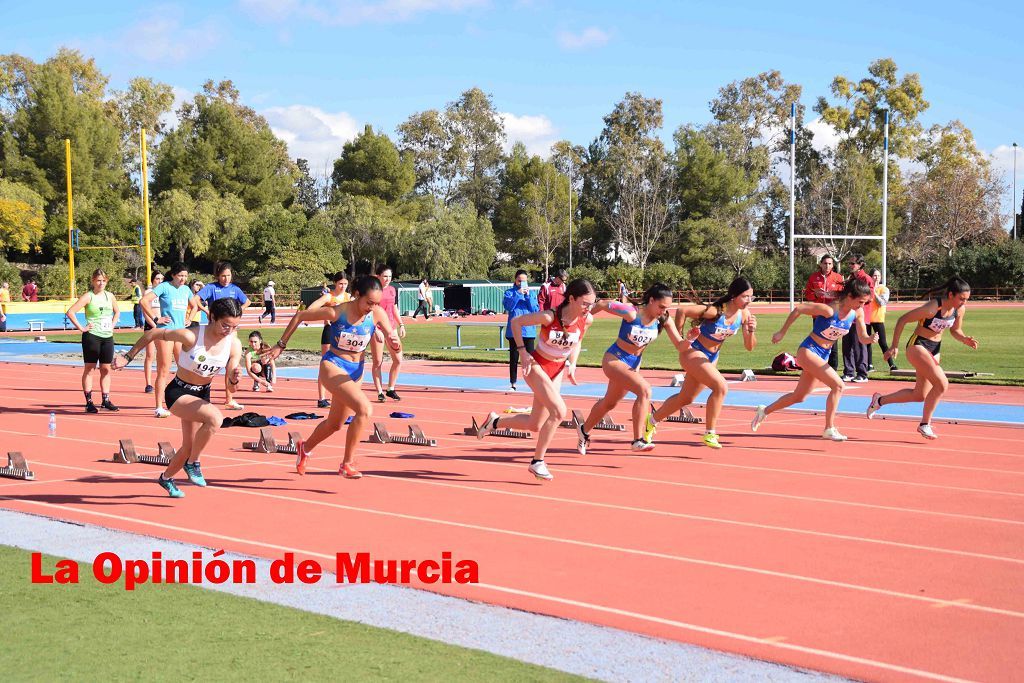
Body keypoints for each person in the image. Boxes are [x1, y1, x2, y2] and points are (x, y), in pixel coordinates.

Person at [261, 275, 401, 479]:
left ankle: (304, 449)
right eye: (368, 302)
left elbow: (390, 336)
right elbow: (300, 316)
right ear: (356, 295)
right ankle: (347, 464)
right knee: (365, 409)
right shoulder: (337, 312)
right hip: (333, 366)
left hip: (356, 371)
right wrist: (280, 345)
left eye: (376, 303)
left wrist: (394, 341)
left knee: (335, 424)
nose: (372, 307)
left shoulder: (377, 313)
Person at [113, 298, 245, 498]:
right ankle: (193, 464)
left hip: (202, 395)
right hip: (179, 392)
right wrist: (128, 357)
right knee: (215, 419)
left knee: (188, 446)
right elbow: (153, 333)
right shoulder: (191, 336)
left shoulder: (233, 345)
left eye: (234, 326)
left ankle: (166, 478)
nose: (229, 330)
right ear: (212, 318)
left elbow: (230, 389)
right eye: (225, 325)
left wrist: (234, 380)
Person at [475, 279, 597, 481]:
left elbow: (578, 340)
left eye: (591, 304)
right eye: (585, 303)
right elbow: (516, 322)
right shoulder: (549, 317)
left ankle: (495, 422)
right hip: (536, 366)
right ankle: (537, 462)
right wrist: (523, 352)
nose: (588, 308)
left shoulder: (587, 320)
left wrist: (572, 364)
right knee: (559, 411)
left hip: (557, 370)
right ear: (572, 299)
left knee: (535, 424)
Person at [751, 278, 878, 441]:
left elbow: (862, 337)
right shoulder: (829, 310)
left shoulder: (857, 313)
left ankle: (764, 410)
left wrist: (870, 339)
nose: (862, 306)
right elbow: (799, 309)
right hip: (808, 351)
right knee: (838, 385)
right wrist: (782, 332)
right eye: (860, 301)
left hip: (822, 355)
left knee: (799, 396)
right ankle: (829, 428)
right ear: (849, 296)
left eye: (864, 303)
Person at [642, 278, 758, 450]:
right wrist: (681, 338)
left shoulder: (744, 315)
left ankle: (651, 421)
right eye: (745, 297)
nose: (748, 301)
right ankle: (710, 433)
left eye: (751, 297)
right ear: (733, 296)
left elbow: (749, 347)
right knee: (721, 387)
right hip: (693, 352)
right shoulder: (715, 312)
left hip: (711, 357)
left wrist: (750, 330)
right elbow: (683, 310)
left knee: (686, 398)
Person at [576, 284, 684, 455]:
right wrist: (581, 320)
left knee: (609, 403)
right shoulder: (631, 312)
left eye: (667, 308)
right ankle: (637, 440)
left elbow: (680, 344)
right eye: (661, 307)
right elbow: (604, 303)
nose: (663, 311)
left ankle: (583, 431)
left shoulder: (663, 319)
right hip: (614, 359)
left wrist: (691, 340)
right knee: (645, 390)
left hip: (632, 365)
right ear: (651, 301)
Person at [867, 278, 977, 439]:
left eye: (966, 299)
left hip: (935, 349)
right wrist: (894, 346)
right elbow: (902, 319)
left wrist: (964, 339)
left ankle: (879, 401)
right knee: (942, 384)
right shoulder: (933, 307)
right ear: (951, 294)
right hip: (917, 346)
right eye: (961, 298)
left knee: (919, 395)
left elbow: (955, 330)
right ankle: (925, 424)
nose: (964, 302)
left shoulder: (959, 310)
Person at [192, 261, 250, 410]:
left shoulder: (235, 289)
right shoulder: (211, 288)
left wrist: (237, 312)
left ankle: (229, 399)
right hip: (214, 332)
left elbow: (247, 301)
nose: (226, 279)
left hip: (231, 332)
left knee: (232, 363)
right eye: (223, 276)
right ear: (218, 275)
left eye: (229, 276)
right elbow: (196, 299)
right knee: (209, 363)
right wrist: (207, 311)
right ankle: (201, 395)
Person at [64, 269, 120, 414]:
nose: (101, 283)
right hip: (92, 336)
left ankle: (105, 400)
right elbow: (70, 312)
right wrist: (82, 328)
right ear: (93, 281)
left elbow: (117, 311)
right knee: (90, 368)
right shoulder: (88, 296)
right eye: (98, 280)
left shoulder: (110, 296)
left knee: (106, 369)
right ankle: (89, 401)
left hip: (107, 336)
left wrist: (112, 325)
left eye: (103, 280)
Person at [141, 264, 192, 418]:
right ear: (173, 275)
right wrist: (157, 318)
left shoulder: (186, 290)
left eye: (185, 276)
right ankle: (158, 406)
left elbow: (195, 305)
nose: (183, 279)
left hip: (180, 333)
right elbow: (144, 301)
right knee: (164, 369)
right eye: (180, 276)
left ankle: (183, 401)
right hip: (166, 332)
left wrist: (189, 317)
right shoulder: (164, 287)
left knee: (184, 369)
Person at [309, 272, 351, 408]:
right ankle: (321, 398)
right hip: (330, 331)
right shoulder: (329, 296)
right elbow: (312, 308)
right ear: (335, 283)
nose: (343, 286)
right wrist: (324, 314)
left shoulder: (348, 297)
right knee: (326, 365)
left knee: (341, 366)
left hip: (344, 334)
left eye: (345, 284)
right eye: (340, 284)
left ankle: (339, 395)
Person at [803, 254, 844, 372]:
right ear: (820, 264)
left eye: (830, 263)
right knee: (817, 341)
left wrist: (834, 295)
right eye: (825, 263)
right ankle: (818, 367)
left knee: (832, 342)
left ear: (833, 265)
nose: (827, 266)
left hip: (833, 314)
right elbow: (808, 294)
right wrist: (816, 294)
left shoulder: (838, 278)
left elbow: (843, 296)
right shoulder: (813, 277)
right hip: (818, 314)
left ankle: (833, 369)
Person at [371, 265, 405, 402]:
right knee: (378, 361)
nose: (387, 279)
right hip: (377, 329)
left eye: (390, 276)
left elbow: (394, 308)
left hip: (391, 329)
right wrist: (375, 329)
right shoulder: (373, 290)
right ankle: (379, 392)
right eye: (385, 276)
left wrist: (401, 324)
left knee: (398, 359)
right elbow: (369, 312)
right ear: (378, 276)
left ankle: (391, 388)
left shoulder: (392, 290)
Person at [503, 270, 539, 391]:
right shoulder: (509, 293)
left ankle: (535, 383)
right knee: (514, 358)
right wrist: (518, 294)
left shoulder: (532, 293)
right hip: (514, 331)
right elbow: (508, 307)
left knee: (531, 359)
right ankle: (513, 383)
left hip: (528, 331)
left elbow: (535, 309)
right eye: (519, 280)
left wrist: (528, 296)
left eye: (524, 281)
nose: (522, 283)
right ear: (515, 280)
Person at [841, 254, 874, 382]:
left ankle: (862, 373)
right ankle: (849, 371)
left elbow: (870, 297)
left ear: (860, 264)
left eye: (852, 263)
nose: (850, 266)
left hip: (860, 316)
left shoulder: (866, 279)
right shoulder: (850, 279)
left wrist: (857, 301)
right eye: (849, 263)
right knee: (847, 344)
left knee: (859, 344)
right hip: (848, 315)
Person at [868, 268, 897, 372]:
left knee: (883, 343)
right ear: (870, 277)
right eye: (874, 276)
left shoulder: (884, 289)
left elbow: (882, 302)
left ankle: (891, 365)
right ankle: (869, 365)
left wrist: (874, 292)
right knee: (867, 343)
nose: (876, 278)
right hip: (866, 318)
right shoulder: (866, 288)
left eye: (878, 276)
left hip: (878, 318)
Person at [141, 271, 164, 393]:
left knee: (162, 355)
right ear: (153, 280)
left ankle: (161, 381)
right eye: (157, 279)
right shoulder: (148, 293)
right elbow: (145, 312)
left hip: (163, 326)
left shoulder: (165, 292)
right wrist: (154, 325)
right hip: (151, 325)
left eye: (161, 279)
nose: (159, 281)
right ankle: (148, 383)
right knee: (150, 355)